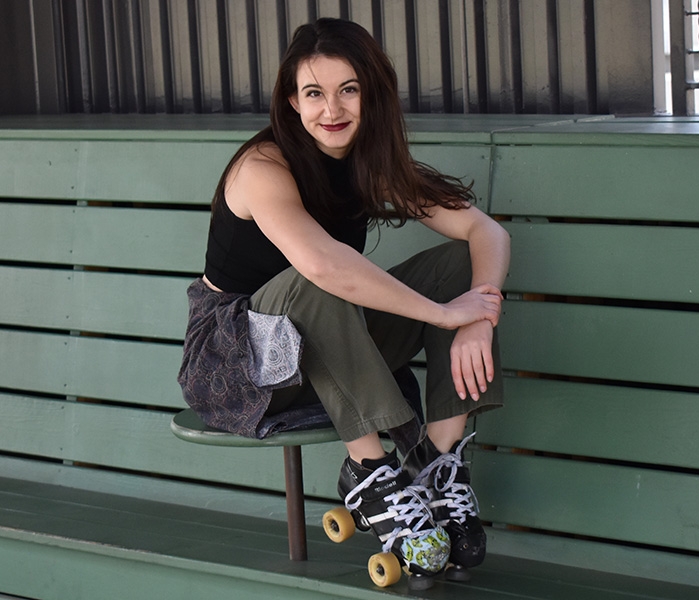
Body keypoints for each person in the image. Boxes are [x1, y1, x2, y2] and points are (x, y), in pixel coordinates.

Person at [177, 18, 509, 586]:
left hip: (327, 343)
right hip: (236, 364)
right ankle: (371, 472)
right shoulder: (262, 168)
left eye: (348, 89)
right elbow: (324, 267)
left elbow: (486, 233)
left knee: (459, 266)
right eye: (314, 93)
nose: (332, 108)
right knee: (319, 280)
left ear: (370, 95)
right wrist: (445, 314)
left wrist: (479, 317)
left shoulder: (368, 167)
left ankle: (435, 466)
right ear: (292, 101)